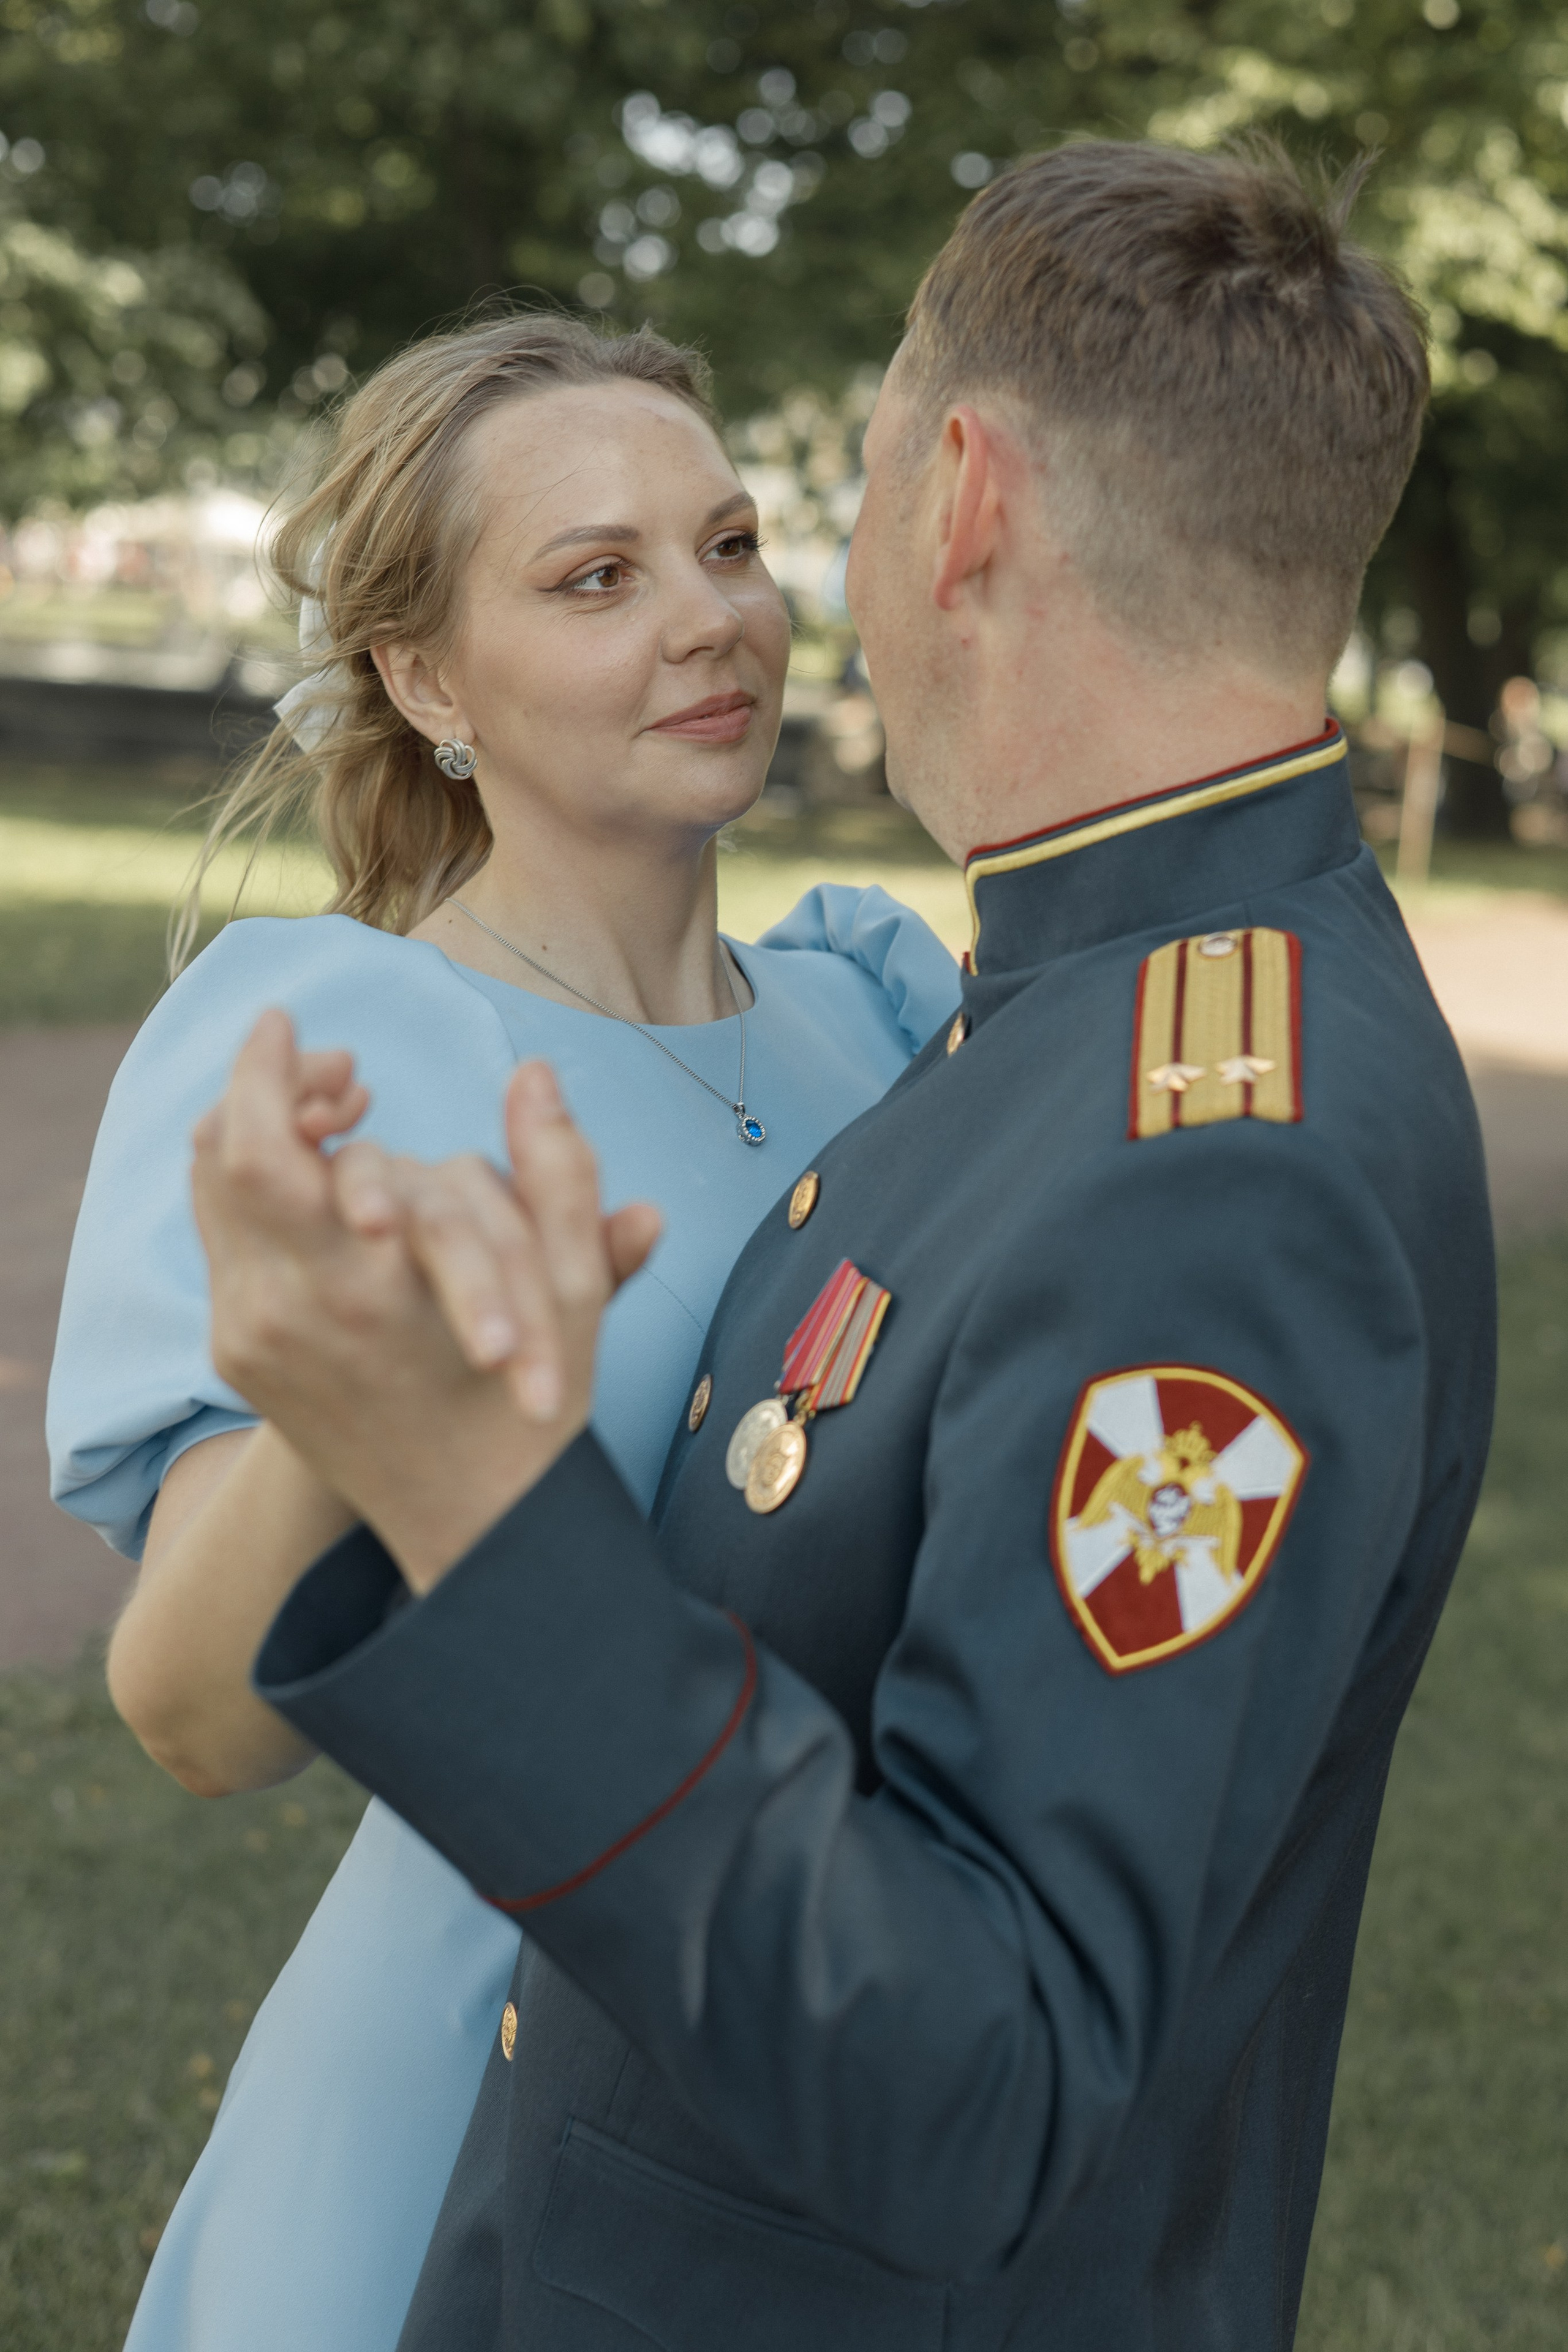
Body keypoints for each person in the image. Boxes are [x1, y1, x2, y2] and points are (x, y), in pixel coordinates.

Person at [188, 141, 1494, 2348]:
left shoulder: (1216, 1158)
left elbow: (984, 2084)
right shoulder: (1112, 998)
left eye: (856, 472)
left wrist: (484, 1517)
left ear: (964, 496)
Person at [44, 314, 958, 2350]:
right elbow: (197, 1721)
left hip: (829, 2063)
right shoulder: (338, 1049)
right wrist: (356, 1396)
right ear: (424, 676)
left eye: (728, 546)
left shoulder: (881, 1015)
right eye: (597, 577)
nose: (711, 619)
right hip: (465, 2093)